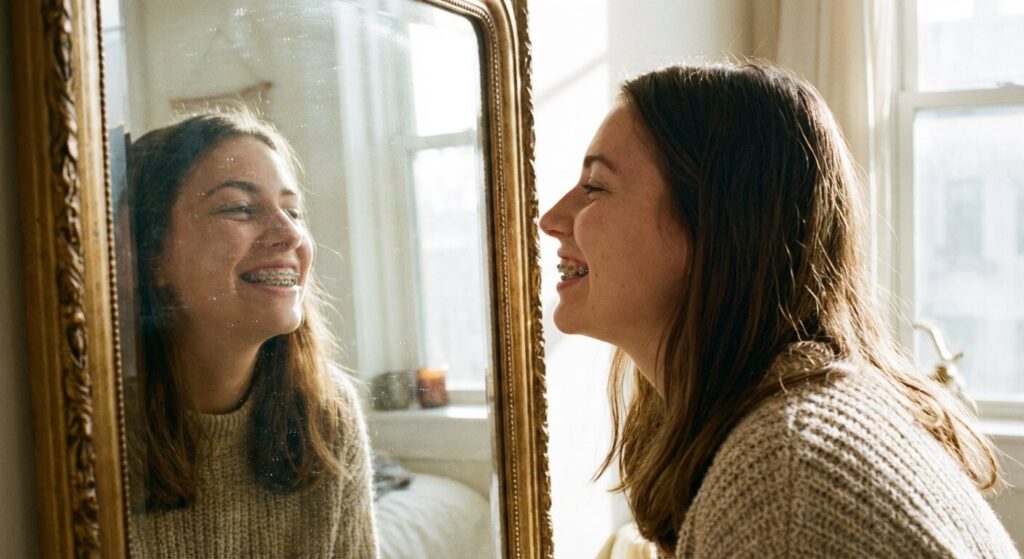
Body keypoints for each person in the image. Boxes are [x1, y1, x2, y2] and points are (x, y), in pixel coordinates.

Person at [540, 62, 1018, 558]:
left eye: (595, 187)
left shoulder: (786, 484)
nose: (551, 219)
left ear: (715, 226)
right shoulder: (791, 430)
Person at [124, 110, 378, 557]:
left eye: (293, 210)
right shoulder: (90, 429)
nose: (290, 234)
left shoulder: (329, 415)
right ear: (152, 254)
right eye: (240, 208)